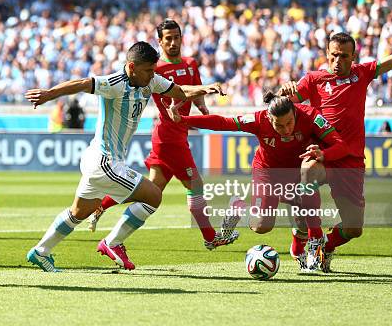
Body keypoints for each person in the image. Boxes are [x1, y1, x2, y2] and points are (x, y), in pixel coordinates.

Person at [24, 41, 223, 271]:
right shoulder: (114, 83)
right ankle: (113, 242)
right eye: (148, 70)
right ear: (131, 67)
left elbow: (179, 90)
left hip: (99, 160)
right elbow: (80, 83)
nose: (152, 74)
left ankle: (40, 251)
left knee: (78, 212)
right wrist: (48, 94)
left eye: (153, 69)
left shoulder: (151, 80)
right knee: (154, 196)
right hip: (104, 162)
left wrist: (204, 88)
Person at [279, 30, 392, 272]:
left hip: (350, 160)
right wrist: (285, 90)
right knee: (308, 171)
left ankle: (326, 245)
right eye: (334, 55)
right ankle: (311, 239)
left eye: (344, 56)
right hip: (323, 154)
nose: (338, 61)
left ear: (353, 56)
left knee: (354, 228)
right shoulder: (314, 80)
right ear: (327, 54)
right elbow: (285, 103)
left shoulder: (362, 74)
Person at [88, 19, 237, 250]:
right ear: (160, 41)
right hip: (169, 136)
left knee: (152, 189)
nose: (173, 42)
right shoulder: (155, 70)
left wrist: (202, 106)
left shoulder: (190, 64)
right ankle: (210, 237)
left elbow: (194, 90)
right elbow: (178, 91)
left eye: (176, 37)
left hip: (177, 134)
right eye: (168, 38)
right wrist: (195, 94)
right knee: (195, 185)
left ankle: (101, 205)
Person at [167, 91, 348, 271]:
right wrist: (184, 119)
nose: (286, 130)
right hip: (268, 173)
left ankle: (303, 249)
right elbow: (224, 122)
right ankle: (239, 207)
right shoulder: (258, 119)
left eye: (290, 123)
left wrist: (323, 154)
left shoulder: (310, 116)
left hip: (298, 173)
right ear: (269, 118)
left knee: (305, 218)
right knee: (261, 226)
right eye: (279, 125)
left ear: (295, 112)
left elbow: (341, 145)